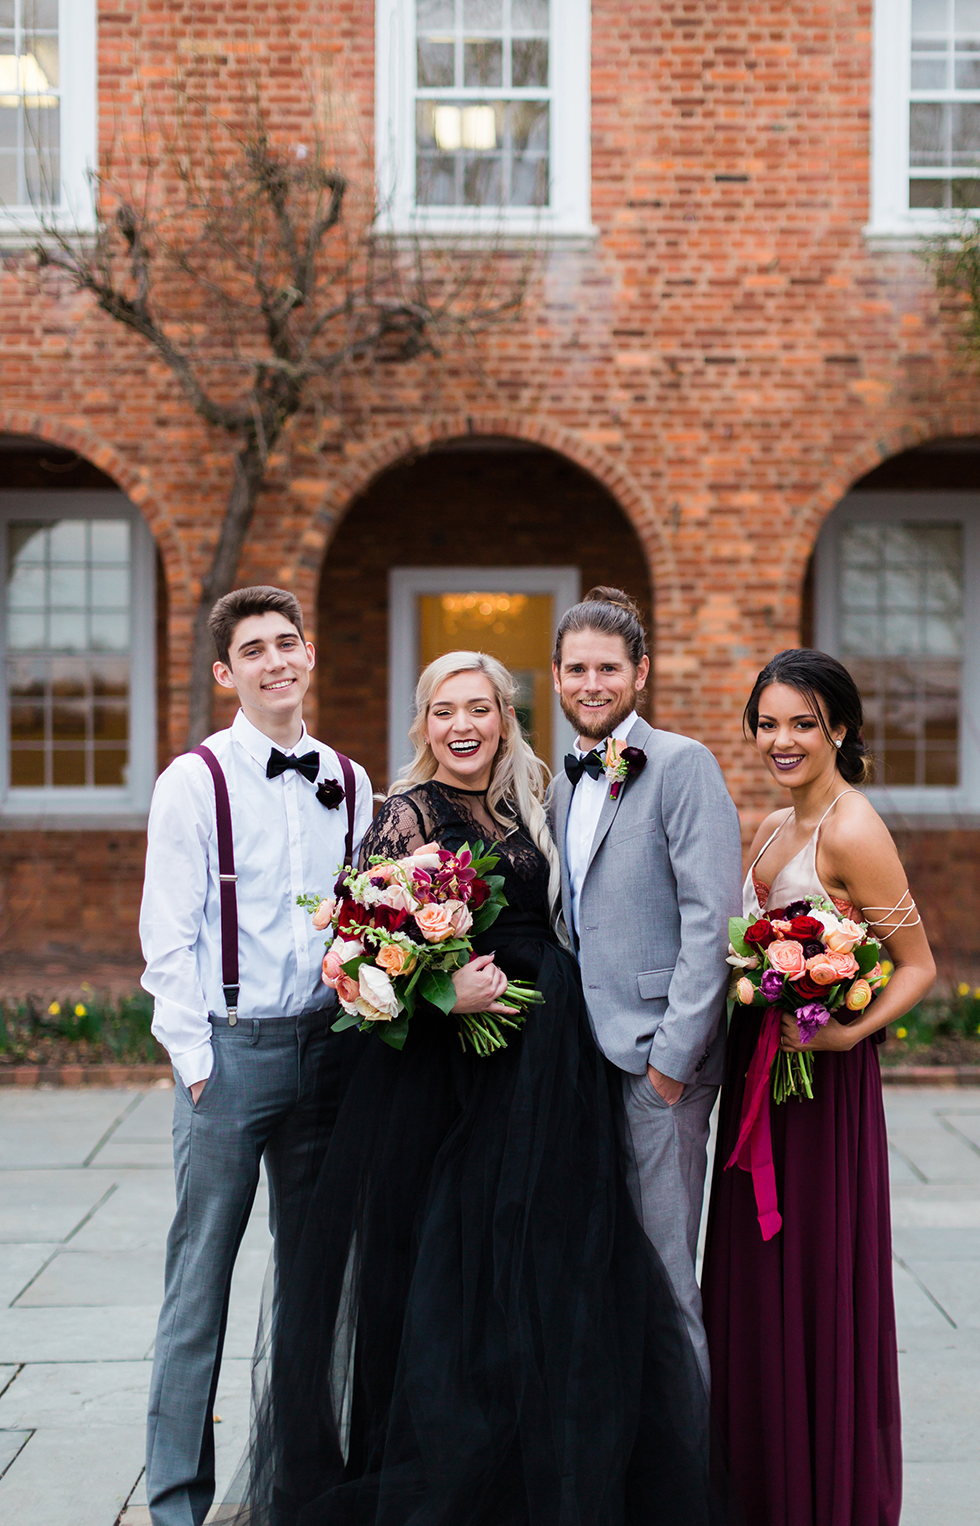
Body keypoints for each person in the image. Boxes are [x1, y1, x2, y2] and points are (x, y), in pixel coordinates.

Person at [215, 650, 727, 1526]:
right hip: (453, 1082)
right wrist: (444, 991)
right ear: (424, 723)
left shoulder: (535, 795)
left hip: (555, 1066)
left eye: (481, 709)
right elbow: (354, 949)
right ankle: (464, 1470)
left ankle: (556, 1469)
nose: (464, 726)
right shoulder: (405, 813)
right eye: (445, 710)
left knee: (562, 1264)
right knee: (458, 1266)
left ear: (504, 718)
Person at [139, 585, 373, 1526]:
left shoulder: (354, 786)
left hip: (329, 1056)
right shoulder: (192, 782)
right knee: (197, 1289)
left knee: (316, 1285)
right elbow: (167, 941)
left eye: (289, 643)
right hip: (229, 1058)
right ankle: (174, 1503)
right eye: (254, 650)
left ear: (310, 655)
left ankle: (300, 1490)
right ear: (227, 673)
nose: (276, 661)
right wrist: (198, 1064)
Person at [701, 648, 936, 1526]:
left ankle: (821, 1492)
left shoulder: (853, 827)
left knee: (813, 1280)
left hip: (818, 1092)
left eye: (802, 723)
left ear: (838, 726)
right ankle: (755, 1487)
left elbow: (917, 965)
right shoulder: (765, 827)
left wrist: (846, 1031)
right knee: (753, 1286)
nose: (782, 740)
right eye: (769, 724)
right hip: (754, 1080)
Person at [547, 587, 742, 1385]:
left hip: (659, 1068)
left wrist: (669, 1066)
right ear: (556, 679)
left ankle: (686, 1485)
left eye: (608, 668)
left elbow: (712, 923)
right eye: (576, 669)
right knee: (599, 1273)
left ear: (641, 673)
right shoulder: (563, 785)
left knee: (666, 1283)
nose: (592, 683)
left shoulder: (683, 766)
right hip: (583, 1065)